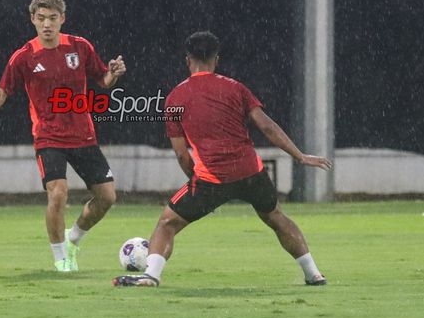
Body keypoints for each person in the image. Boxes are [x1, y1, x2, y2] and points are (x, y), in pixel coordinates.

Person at [113, 30, 332, 288]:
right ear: (216, 59)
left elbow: (181, 153)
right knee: (275, 217)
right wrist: (300, 156)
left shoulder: (175, 99)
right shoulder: (235, 88)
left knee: (167, 223)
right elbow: (268, 127)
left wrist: (197, 186)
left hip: (212, 178)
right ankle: (313, 273)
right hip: (252, 172)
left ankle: (151, 275)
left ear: (187, 60)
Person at [0, 0, 126, 272]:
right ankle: (60, 258)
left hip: (82, 134)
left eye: (53, 18)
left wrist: (113, 74)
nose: (47, 24)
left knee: (107, 197)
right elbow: (0, 94)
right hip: (48, 137)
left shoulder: (79, 47)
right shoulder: (24, 57)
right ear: (33, 19)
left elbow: (103, 79)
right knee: (58, 193)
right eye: (41, 18)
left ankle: (74, 238)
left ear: (62, 19)